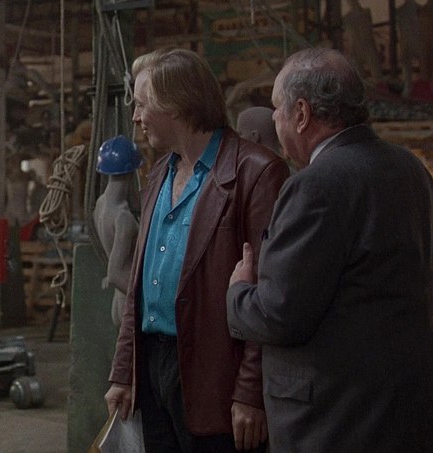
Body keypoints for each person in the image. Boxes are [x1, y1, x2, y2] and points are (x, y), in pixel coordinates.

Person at [225, 47, 433, 452]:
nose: (274, 120)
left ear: (301, 114)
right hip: (417, 409)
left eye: (277, 108)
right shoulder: (411, 169)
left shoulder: (315, 186)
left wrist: (239, 292)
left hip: (342, 420)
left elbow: (280, 315)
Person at [104, 47, 289, 453]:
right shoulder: (159, 174)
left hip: (216, 371)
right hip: (153, 367)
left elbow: (271, 293)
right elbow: (138, 286)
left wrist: (250, 390)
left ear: (176, 105)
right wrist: (124, 371)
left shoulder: (256, 173)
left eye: (142, 105)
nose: (135, 117)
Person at [93, 135, 142, 326]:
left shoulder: (100, 204)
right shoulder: (123, 218)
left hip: (118, 301)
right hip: (129, 301)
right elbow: (114, 274)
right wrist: (145, 300)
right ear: (132, 171)